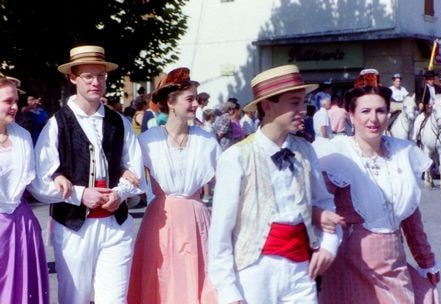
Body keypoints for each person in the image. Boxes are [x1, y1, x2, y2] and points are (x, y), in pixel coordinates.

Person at [208, 64, 342, 304]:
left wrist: (329, 245)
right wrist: (228, 289)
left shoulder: (304, 150)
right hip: (254, 270)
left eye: (304, 102)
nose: (303, 110)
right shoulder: (236, 157)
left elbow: (323, 202)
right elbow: (220, 231)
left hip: (301, 269)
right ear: (268, 105)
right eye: (294, 103)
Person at [30, 45, 146, 303]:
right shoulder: (57, 124)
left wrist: (120, 193)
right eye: (88, 76)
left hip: (116, 224)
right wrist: (80, 195)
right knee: (76, 298)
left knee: (114, 299)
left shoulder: (119, 122)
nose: (96, 82)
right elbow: (40, 182)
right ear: (73, 78)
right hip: (74, 227)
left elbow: (137, 170)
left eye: (101, 76)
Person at [313, 84, 440, 303]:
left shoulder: (403, 152)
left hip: (393, 258)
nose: (374, 118)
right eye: (365, 111)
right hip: (352, 262)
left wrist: (426, 260)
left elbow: (411, 217)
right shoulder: (337, 155)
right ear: (351, 115)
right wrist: (318, 218)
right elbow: (315, 203)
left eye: (380, 111)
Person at [128, 67, 221, 303]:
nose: (196, 104)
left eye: (197, 99)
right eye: (190, 99)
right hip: (161, 221)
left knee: (200, 281)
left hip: (196, 219)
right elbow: (133, 180)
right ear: (171, 102)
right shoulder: (148, 141)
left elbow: (226, 181)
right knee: (163, 281)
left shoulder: (207, 140)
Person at [0, 73, 50, 303]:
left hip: (21, 228)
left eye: (15, 101)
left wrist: (68, 187)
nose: (14, 107)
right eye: (7, 101)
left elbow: (37, 184)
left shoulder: (23, 136)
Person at [413, 70, 441, 142]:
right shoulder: (422, 88)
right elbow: (418, 98)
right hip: (427, 110)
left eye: (433, 79)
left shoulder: (439, 88)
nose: (432, 81)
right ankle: (416, 137)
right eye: (430, 79)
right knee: (418, 120)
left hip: (438, 109)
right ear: (426, 80)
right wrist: (420, 104)